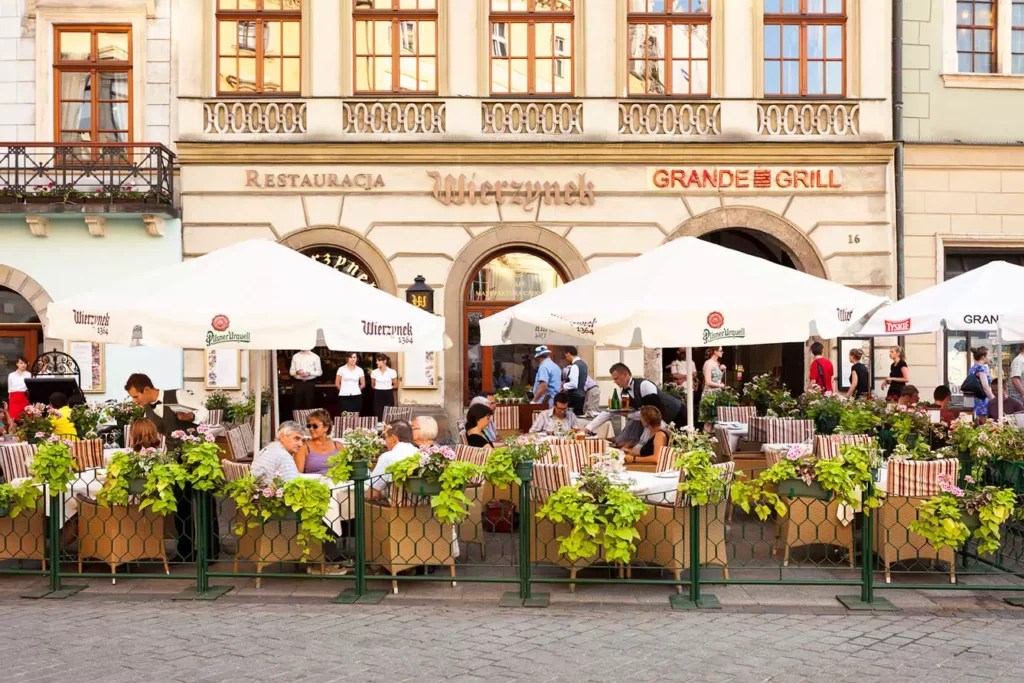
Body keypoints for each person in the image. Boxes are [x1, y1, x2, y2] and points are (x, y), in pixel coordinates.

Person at [586, 363, 683, 436]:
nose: (615, 382)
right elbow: (609, 411)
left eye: (616, 378)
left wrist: (629, 415)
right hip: (663, 422)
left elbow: (653, 412)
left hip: (678, 413)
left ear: (625, 374)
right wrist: (589, 428)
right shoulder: (623, 393)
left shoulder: (644, 385)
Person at [124, 373, 201, 436]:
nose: (134, 401)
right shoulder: (147, 411)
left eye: (136, 397)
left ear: (147, 390)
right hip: (170, 453)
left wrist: (192, 417)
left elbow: (204, 413)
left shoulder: (179, 394)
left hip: (193, 450)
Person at [368, 420, 420, 498]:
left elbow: (371, 494)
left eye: (385, 437)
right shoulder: (422, 455)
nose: (385, 442)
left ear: (393, 439)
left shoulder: (387, 457)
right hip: (423, 506)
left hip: (394, 508)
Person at [294, 409, 339, 476]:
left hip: (338, 485)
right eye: (309, 426)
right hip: (314, 485)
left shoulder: (338, 446)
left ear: (326, 427)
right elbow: (297, 475)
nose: (311, 429)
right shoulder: (303, 448)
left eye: (315, 426)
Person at [967, 346, 996, 422]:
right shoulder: (981, 368)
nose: (989, 358)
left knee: (976, 422)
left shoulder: (973, 368)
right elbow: (985, 386)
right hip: (981, 400)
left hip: (973, 399)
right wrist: (993, 399)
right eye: (988, 355)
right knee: (983, 424)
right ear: (983, 357)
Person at [562, 346, 589, 417]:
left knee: (573, 419)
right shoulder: (584, 364)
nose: (566, 358)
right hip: (581, 395)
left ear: (568, 353)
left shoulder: (575, 366)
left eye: (565, 355)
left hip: (574, 397)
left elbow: (574, 384)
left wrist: (563, 386)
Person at [370, 354, 398, 421]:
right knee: (378, 412)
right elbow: (373, 385)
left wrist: (387, 387)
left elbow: (396, 385)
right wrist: (379, 387)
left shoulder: (392, 372)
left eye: (378, 361)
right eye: (376, 361)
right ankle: (379, 429)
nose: (376, 362)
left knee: (389, 413)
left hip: (388, 394)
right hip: (378, 394)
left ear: (384, 361)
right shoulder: (374, 372)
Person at [6, 356, 30, 422]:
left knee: (26, 418)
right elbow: (9, 389)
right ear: (17, 364)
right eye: (21, 363)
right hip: (14, 399)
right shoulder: (11, 375)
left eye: (25, 363)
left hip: (25, 397)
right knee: (13, 418)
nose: (23, 365)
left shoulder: (29, 375)